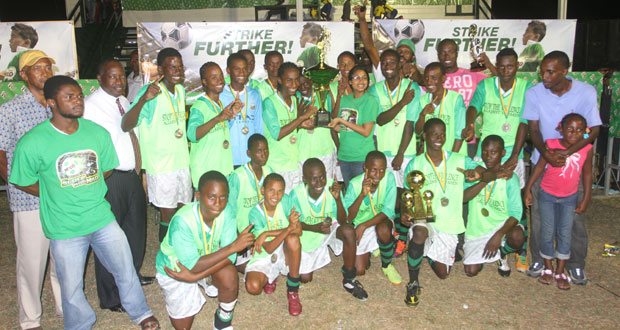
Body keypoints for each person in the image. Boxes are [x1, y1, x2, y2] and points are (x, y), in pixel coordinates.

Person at [9, 75, 159, 330]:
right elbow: (21, 180)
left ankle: (140, 312)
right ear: (51, 104)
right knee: (71, 286)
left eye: (79, 95)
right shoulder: (33, 141)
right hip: (65, 228)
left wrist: (85, 185)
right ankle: (79, 324)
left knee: (125, 270)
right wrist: (52, 193)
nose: (78, 101)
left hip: (101, 218)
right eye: (69, 97)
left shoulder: (96, 133)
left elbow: (108, 168)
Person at [522, 51, 602, 285]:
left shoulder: (585, 92)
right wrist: (547, 153)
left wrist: (569, 152)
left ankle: (575, 264)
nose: (544, 76)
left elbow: (593, 129)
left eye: (550, 72)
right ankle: (539, 259)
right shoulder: (534, 93)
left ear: (565, 71)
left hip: (574, 164)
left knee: (574, 216)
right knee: (538, 216)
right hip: (542, 160)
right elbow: (533, 129)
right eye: (542, 71)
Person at [83, 59, 154, 314]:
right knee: (109, 238)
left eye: (122, 76)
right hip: (109, 179)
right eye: (112, 77)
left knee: (135, 231)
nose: (119, 81)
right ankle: (111, 296)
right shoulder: (90, 107)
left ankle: (131, 279)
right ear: (100, 79)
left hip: (131, 175)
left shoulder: (123, 102)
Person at [0, 50, 63, 330]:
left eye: (47, 67)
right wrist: (19, 184)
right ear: (23, 75)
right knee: (31, 262)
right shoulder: (9, 109)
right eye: (37, 69)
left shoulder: (58, 107)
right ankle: (30, 319)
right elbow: (1, 155)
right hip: (28, 198)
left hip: (62, 196)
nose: (45, 73)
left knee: (63, 256)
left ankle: (67, 307)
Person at [156, 171, 255, 330]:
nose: (218, 203)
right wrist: (233, 247)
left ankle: (222, 322)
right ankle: (197, 285)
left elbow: (231, 258)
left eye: (223, 197)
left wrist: (196, 276)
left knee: (229, 275)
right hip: (176, 269)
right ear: (198, 195)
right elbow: (192, 266)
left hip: (203, 262)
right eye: (211, 197)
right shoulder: (183, 221)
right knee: (183, 327)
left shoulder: (227, 211)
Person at [401, 118, 482, 307]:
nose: (439, 138)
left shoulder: (459, 159)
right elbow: (407, 193)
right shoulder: (415, 164)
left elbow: (483, 171)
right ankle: (413, 282)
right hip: (424, 218)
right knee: (420, 232)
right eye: (434, 134)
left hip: (448, 223)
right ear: (425, 136)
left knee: (443, 274)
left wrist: (478, 173)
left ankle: (425, 251)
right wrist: (405, 211)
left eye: (443, 134)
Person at [465, 48, 533, 272]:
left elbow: (524, 122)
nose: (505, 71)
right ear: (496, 65)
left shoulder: (525, 88)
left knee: (516, 196)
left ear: (517, 66)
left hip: (511, 150)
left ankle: (517, 247)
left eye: (510, 66)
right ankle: (476, 236)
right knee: (479, 190)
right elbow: (473, 107)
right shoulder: (485, 85)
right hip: (488, 150)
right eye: (501, 66)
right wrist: (470, 123)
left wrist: (515, 154)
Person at [121, 47, 192, 242]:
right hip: (161, 166)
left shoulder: (180, 90)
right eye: (172, 67)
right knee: (167, 214)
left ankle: (179, 251)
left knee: (182, 210)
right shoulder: (149, 92)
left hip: (181, 161)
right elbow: (126, 124)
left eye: (180, 67)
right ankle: (166, 259)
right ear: (161, 70)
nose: (177, 71)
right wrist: (143, 100)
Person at [524, 114, 593, 290]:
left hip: (569, 198)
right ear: (560, 129)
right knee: (547, 232)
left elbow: (587, 174)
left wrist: (585, 198)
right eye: (569, 129)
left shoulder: (586, 148)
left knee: (565, 233)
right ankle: (548, 268)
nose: (574, 134)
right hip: (547, 195)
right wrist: (529, 189)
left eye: (579, 130)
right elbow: (539, 166)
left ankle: (560, 271)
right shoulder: (551, 145)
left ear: (584, 132)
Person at [290, 159, 367, 300]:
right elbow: (294, 226)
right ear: (304, 179)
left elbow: (344, 221)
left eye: (322, 177)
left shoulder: (332, 185)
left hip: (330, 228)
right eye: (313, 179)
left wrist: (337, 199)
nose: (320, 183)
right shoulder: (296, 194)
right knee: (305, 278)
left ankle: (349, 279)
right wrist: (315, 227)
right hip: (309, 233)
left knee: (349, 231)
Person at [462, 135, 525, 278]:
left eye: (493, 152)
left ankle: (502, 254)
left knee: (517, 235)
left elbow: (516, 213)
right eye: (484, 152)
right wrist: (486, 179)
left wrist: (498, 235)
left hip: (501, 227)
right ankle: (492, 254)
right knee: (471, 271)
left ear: (502, 153)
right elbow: (464, 198)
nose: (488, 157)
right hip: (477, 230)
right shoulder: (475, 173)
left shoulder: (510, 179)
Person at [244, 173, 304, 316]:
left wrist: (267, 233)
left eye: (280, 191)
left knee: (293, 240)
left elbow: (299, 230)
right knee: (253, 286)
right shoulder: (255, 213)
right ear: (263, 190)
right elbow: (269, 247)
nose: (276, 195)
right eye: (271, 190)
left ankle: (293, 290)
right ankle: (272, 274)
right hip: (265, 254)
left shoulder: (286, 201)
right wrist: (289, 228)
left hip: (284, 249)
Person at [343, 151, 401, 285]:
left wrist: (363, 226)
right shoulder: (355, 184)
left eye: (382, 170)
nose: (378, 175)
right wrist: (362, 195)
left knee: (384, 229)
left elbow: (388, 211)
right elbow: (348, 218)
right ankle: (372, 248)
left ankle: (387, 265)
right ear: (365, 168)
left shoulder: (389, 178)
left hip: (380, 221)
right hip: (360, 225)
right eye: (374, 170)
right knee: (359, 270)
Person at [262, 62, 317, 193]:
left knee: (293, 207)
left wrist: (302, 125)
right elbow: (277, 134)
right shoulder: (269, 102)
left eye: (297, 79)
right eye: (289, 80)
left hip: (294, 162)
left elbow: (292, 128)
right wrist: (302, 118)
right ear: (280, 80)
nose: (295, 84)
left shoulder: (294, 99)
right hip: (277, 165)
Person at [188, 62, 240, 188]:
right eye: (214, 77)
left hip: (223, 167)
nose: (220, 80)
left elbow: (221, 131)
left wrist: (232, 115)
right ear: (204, 82)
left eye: (221, 76)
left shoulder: (220, 104)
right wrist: (217, 118)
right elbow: (192, 135)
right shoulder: (199, 106)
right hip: (206, 170)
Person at [327, 65, 378, 188]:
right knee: (350, 193)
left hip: (362, 157)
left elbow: (366, 131)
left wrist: (341, 121)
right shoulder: (345, 99)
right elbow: (342, 128)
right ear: (350, 81)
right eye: (356, 78)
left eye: (364, 78)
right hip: (345, 156)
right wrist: (328, 124)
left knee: (362, 194)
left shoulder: (370, 101)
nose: (361, 81)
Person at [228, 133, 273, 271]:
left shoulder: (269, 171)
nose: (264, 154)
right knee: (249, 267)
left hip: (264, 231)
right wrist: (236, 239)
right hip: (242, 234)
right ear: (249, 153)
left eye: (266, 150)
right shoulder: (238, 176)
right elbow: (230, 211)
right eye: (259, 151)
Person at [355, 3, 422, 85]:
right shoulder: (385, 71)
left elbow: (424, 82)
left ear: (413, 57)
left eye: (406, 51)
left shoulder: (417, 76)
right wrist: (362, 19)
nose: (402, 54)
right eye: (399, 51)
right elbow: (369, 47)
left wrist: (416, 75)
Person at [219, 53, 264, 168]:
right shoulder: (220, 95)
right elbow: (218, 127)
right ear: (228, 70)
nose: (242, 73)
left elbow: (258, 126)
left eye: (244, 69)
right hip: (228, 155)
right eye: (237, 69)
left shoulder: (254, 95)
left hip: (250, 156)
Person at [415, 62, 467, 155]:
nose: (429, 82)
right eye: (426, 78)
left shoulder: (455, 99)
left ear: (443, 78)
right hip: (432, 157)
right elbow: (418, 132)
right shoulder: (422, 101)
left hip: (453, 155)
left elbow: (459, 134)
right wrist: (422, 115)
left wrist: (451, 159)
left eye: (434, 78)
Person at [297, 74, 338, 180]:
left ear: (311, 82)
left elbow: (333, 119)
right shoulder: (294, 98)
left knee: (326, 183)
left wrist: (317, 121)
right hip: (302, 151)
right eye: (299, 84)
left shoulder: (324, 94)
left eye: (306, 83)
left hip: (324, 149)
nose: (303, 86)